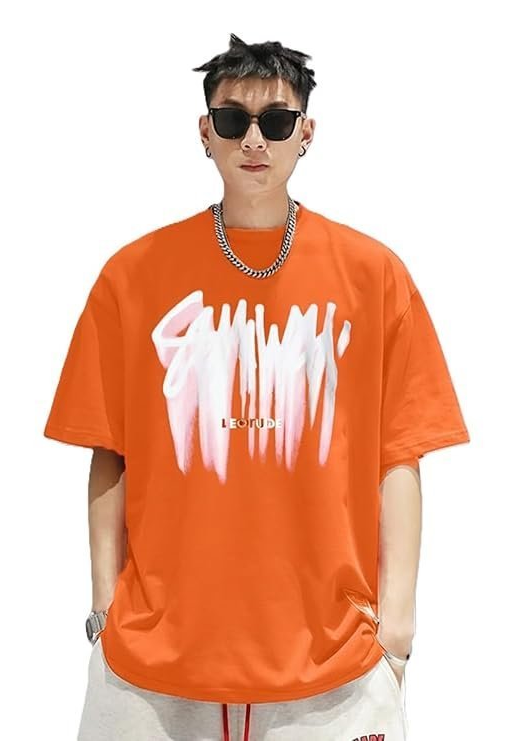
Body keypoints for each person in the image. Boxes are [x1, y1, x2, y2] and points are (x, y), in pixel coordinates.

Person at [43, 32, 470, 741]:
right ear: (204, 131)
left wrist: (397, 628)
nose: (253, 140)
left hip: (333, 669)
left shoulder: (373, 277)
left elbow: (401, 453)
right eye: (232, 118)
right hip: (151, 666)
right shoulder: (133, 276)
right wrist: (103, 606)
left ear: (306, 133)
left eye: (275, 121)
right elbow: (108, 448)